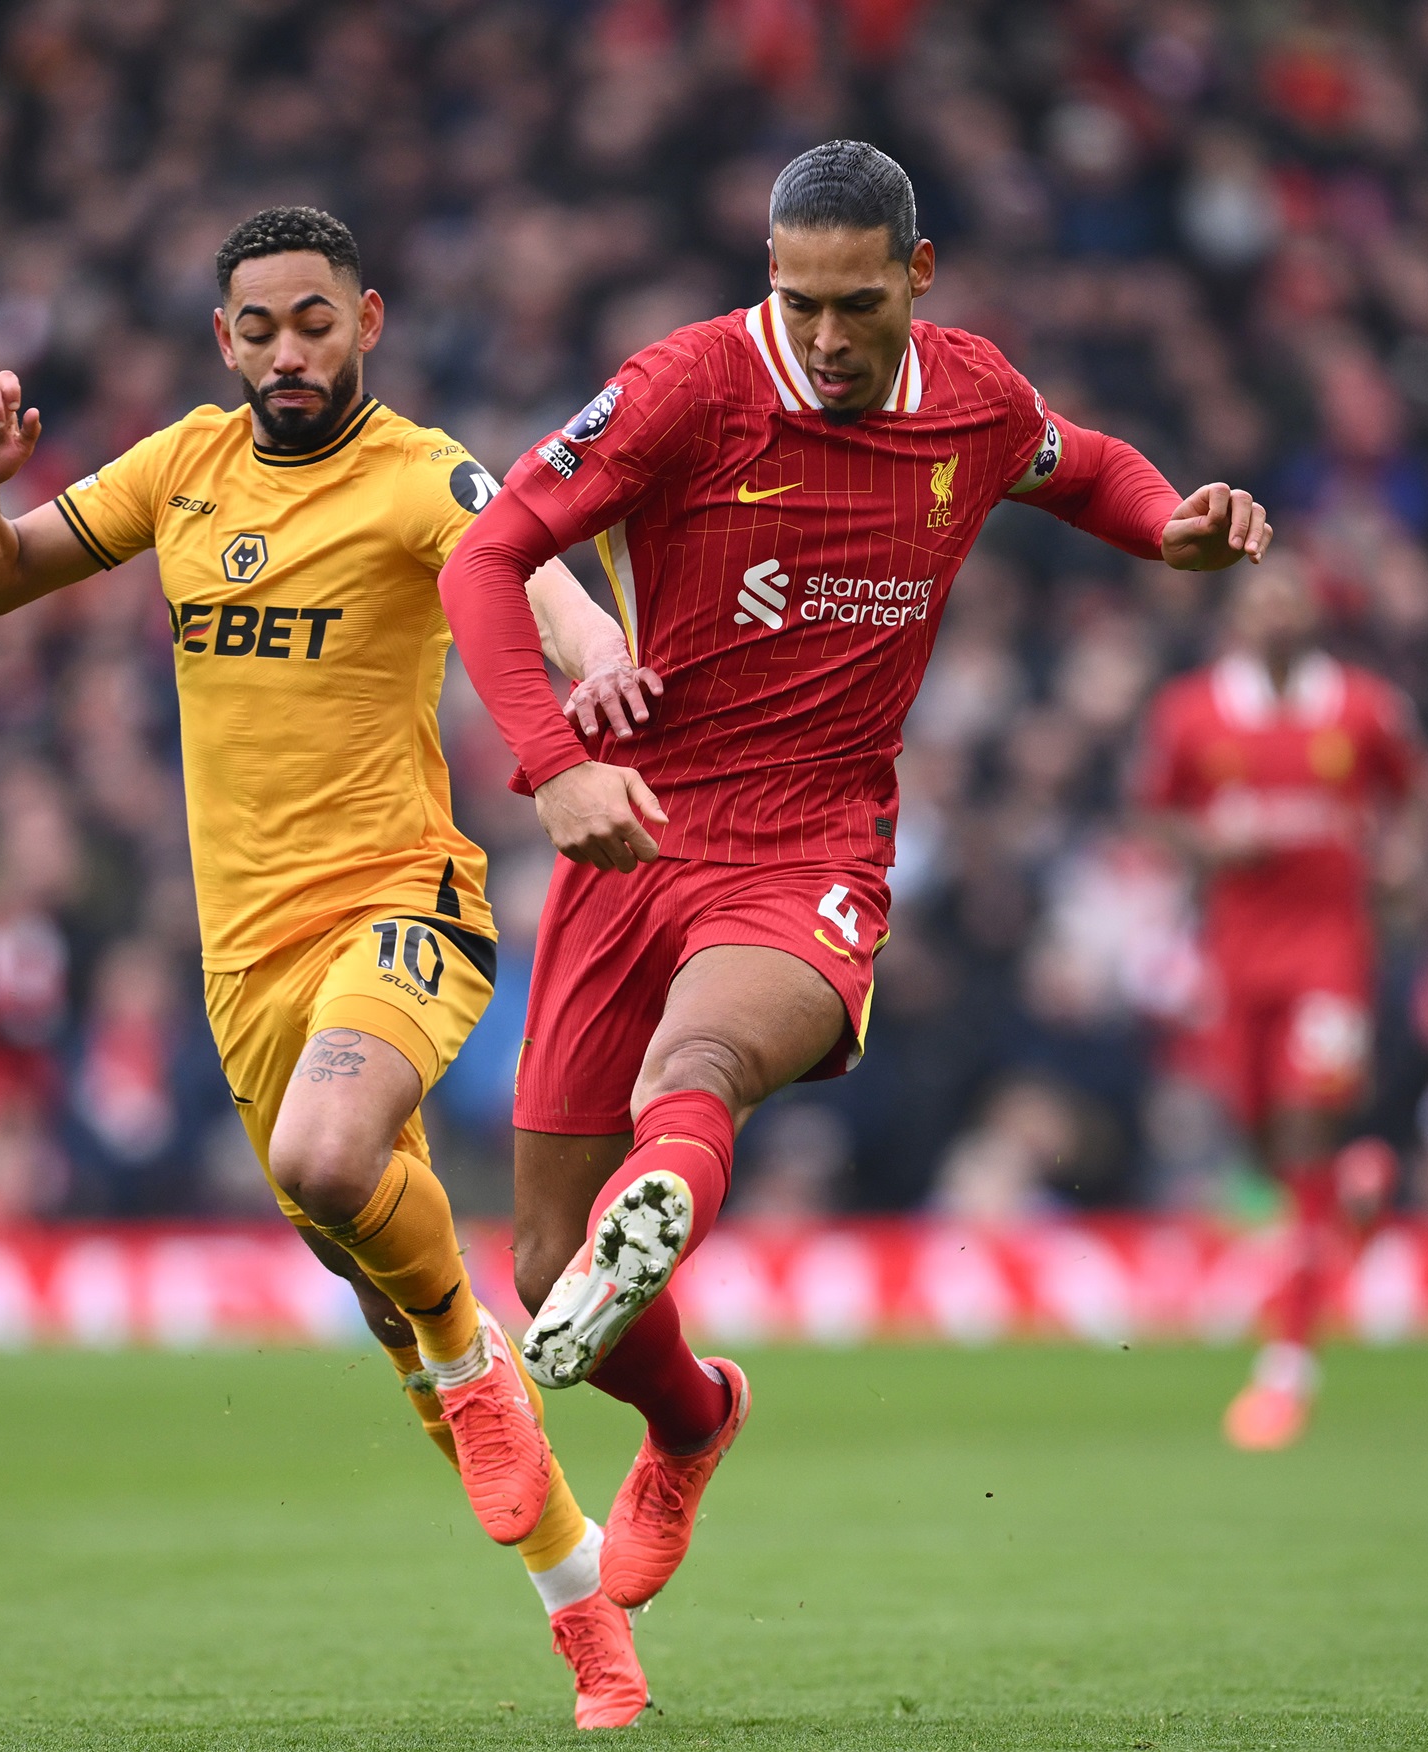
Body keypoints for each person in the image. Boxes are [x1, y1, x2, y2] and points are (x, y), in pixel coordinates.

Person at [440, 141, 1272, 1619]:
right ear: (770, 278)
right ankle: (694, 1417)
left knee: (693, 1068)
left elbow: (1078, 465)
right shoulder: (686, 388)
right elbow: (487, 559)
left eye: (859, 305)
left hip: (813, 841)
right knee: (548, 1262)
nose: (826, 338)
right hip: (634, 825)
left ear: (920, 275)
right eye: (799, 300)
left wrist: (1170, 529)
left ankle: (669, 1188)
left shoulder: (972, 396)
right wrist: (554, 759)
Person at [0, 206, 656, 1727]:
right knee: (372, 1285)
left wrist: (596, 654)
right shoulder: (179, 468)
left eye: (314, 322)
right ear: (224, 341)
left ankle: (480, 1363)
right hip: (243, 963)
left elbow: (525, 561)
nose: (287, 354)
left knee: (340, 1168)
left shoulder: (417, 471)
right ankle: (584, 1614)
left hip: (403, 902)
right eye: (258, 329)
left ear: (368, 320)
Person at [1134, 570, 1421, 1450]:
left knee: (1300, 1128)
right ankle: (1355, 1191)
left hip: (1332, 952)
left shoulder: (1364, 708)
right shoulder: (1192, 714)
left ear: (1311, 617)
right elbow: (1157, 815)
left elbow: (1411, 798)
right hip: (1239, 954)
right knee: (1265, 1143)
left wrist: (1404, 859)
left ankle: (1287, 1368)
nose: (1275, 617)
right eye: (1260, 606)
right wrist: (1209, 841)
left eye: (1288, 604)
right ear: (1236, 623)